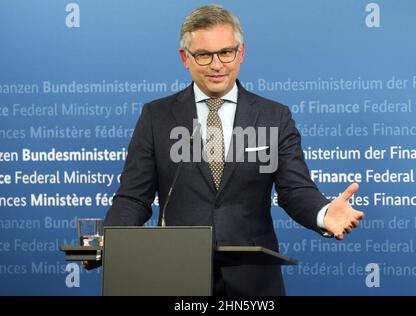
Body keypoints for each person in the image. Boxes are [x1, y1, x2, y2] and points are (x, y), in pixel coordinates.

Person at [101, 4, 364, 296]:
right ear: (185, 58)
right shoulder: (156, 116)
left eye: (226, 52)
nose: (217, 65)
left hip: (254, 281)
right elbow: (133, 198)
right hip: (176, 275)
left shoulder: (273, 116)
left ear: (241, 53)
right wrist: (112, 241)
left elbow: (294, 190)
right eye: (204, 55)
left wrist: (323, 212)